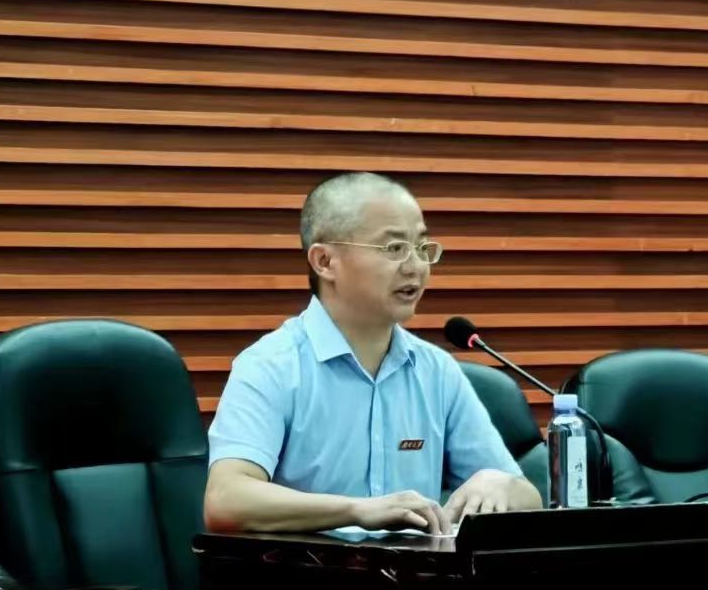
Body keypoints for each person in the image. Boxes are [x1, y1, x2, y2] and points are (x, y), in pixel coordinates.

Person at [204, 171, 542, 535]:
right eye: (394, 248)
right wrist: (357, 510)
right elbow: (226, 499)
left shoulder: (436, 371)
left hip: (420, 570)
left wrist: (500, 483)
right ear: (325, 261)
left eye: (422, 248)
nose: (415, 267)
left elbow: (529, 499)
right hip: (308, 568)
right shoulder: (271, 366)